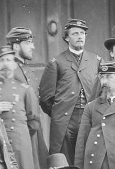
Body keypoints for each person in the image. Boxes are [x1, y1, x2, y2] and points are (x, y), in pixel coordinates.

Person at [39, 18, 102, 158]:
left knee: (89, 157)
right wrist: (60, 112)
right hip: (65, 120)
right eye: (74, 33)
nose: (79, 36)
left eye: (82, 33)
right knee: (64, 160)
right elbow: (45, 98)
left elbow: (102, 91)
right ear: (67, 38)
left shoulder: (96, 61)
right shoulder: (56, 62)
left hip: (89, 116)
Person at [0, 44, 40, 169]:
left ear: (14, 64)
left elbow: (33, 122)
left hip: (20, 149)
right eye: (1, 60)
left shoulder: (24, 90)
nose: (5, 64)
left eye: (9, 60)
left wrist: (22, 138)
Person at [6, 25, 49, 165]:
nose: (33, 47)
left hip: (35, 133)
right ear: (16, 46)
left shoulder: (26, 69)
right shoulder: (9, 71)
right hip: (22, 135)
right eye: (28, 43)